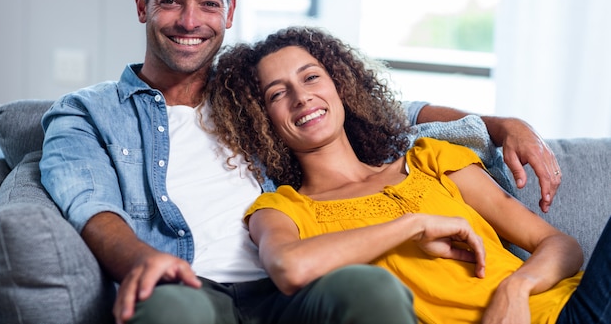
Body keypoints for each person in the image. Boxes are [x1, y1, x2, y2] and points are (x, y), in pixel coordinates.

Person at [39, 0, 559, 324]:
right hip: (190, 284)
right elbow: (89, 203)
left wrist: (495, 124)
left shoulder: (250, 95)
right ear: (142, 5)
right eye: (171, 0)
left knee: (369, 289)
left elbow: (374, 109)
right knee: (172, 310)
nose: (189, 20)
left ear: (230, 12)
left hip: (296, 285)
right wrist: (144, 261)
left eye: (208, 3)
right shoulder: (88, 112)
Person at [208, 25, 611, 323]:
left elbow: (560, 245)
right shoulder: (282, 209)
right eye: (277, 93)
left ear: (339, 86)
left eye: (311, 76)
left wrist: (516, 288)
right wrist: (414, 224)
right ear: (262, 117)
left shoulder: (430, 159)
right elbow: (289, 269)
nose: (301, 97)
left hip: (574, 309)